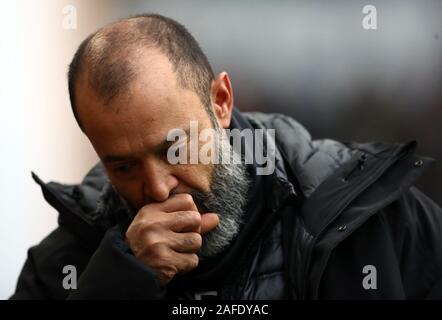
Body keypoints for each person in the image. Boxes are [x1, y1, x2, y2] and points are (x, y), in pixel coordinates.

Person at [11, 13, 442, 300]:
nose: (158, 188)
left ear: (220, 101)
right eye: (123, 166)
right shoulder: (66, 263)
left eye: (175, 148)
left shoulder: (370, 216)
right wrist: (117, 285)